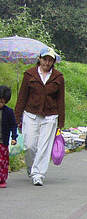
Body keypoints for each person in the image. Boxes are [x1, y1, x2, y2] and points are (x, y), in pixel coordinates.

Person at [15, 46, 65, 187]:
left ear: (53, 62)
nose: (47, 63)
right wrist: (16, 117)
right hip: (30, 114)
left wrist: (61, 122)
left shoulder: (58, 77)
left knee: (44, 146)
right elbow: (22, 97)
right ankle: (31, 167)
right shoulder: (29, 74)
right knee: (29, 145)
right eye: (45, 59)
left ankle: (38, 174)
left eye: (50, 60)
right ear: (39, 59)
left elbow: (60, 100)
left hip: (50, 116)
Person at [0, 86, 18, 188]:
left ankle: (2, 179)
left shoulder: (8, 112)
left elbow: (13, 125)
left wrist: (14, 137)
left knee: (2, 161)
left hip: (3, 141)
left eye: (2, 102)